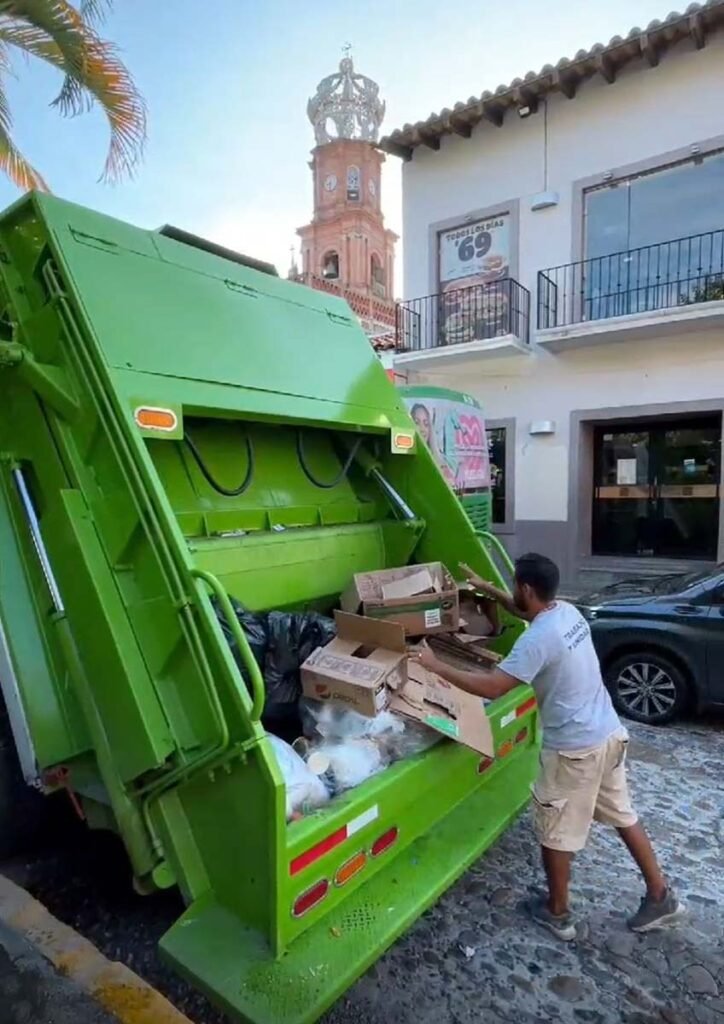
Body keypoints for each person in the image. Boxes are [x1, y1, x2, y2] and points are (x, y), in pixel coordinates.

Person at [414, 552, 682, 942]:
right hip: (608, 734)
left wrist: (433, 664)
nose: (511, 591)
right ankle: (661, 897)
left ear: (526, 588)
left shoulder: (537, 639)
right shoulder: (566, 614)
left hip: (575, 751)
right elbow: (527, 613)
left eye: (512, 586)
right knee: (625, 815)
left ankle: (557, 914)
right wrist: (489, 590)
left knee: (554, 832)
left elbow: (493, 686)